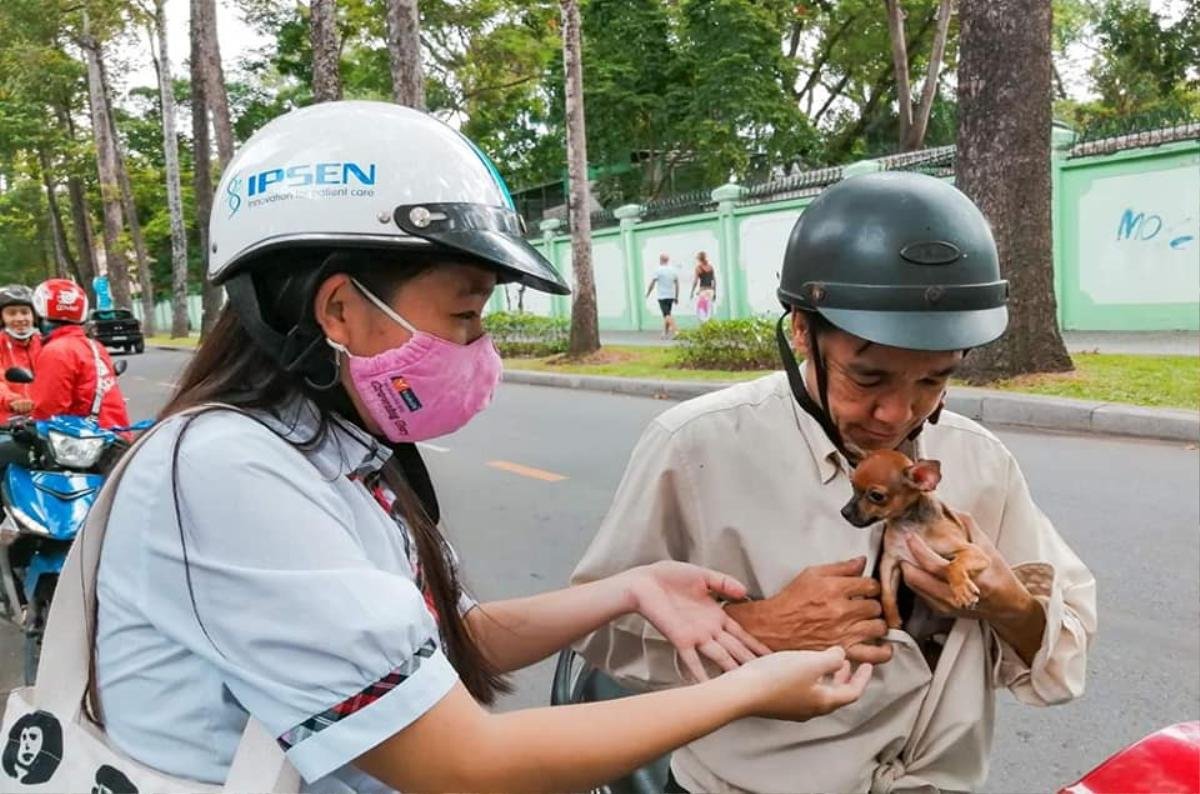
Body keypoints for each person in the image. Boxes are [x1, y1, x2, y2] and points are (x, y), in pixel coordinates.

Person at [91, 101, 872, 794]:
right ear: (338, 309)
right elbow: (459, 765)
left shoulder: (330, 451)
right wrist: (748, 690)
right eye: (465, 314)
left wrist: (633, 587)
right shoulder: (228, 471)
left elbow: (447, 639)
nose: (481, 345)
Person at [573, 172, 1096, 794]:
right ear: (801, 330)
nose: (898, 415)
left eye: (932, 380)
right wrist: (756, 630)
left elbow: (1060, 661)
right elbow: (596, 632)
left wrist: (1007, 604)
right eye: (868, 379)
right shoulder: (695, 447)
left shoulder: (979, 460)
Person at [28, 278, 130, 429]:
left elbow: (49, 409)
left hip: (84, 443)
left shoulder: (55, 351)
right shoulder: (94, 346)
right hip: (116, 434)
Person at [0, 285, 42, 424]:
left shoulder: (45, 343)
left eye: (25, 312)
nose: (19, 318)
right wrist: (13, 399)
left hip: (45, 418)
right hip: (7, 422)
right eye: (11, 313)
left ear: (33, 316)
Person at [646, 252, 679, 338]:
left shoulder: (658, 270)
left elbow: (652, 283)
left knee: (667, 315)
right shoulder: (673, 270)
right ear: (667, 260)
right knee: (667, 315)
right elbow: (677, 284)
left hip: (662, 296)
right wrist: (676, 296)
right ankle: (664, 334)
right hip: (671, 296)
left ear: (660, 260)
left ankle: (676, 331)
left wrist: (648, 293)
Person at [691, 252, 717, 323]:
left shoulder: (698, 268)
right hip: (710, 291)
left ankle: (703, 325)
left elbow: (695, 281)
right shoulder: (710, 267)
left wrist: (692, 291)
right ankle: (709, 326)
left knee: (701, 310)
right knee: (708, 309)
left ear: (699, 259)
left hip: (703, 291)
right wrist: (715, 293)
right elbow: (714, 281)